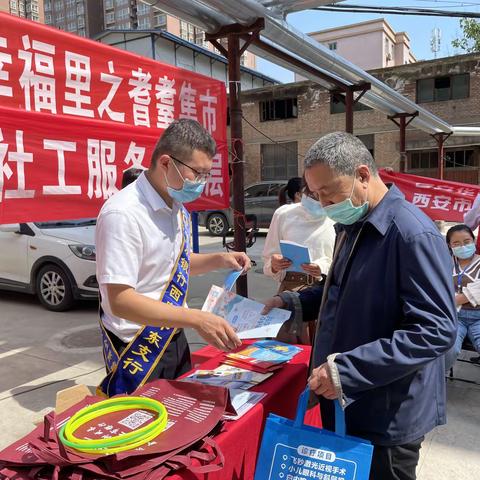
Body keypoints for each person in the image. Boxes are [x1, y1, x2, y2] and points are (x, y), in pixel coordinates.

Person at [263, 132, 456, 480]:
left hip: (388, 413)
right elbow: (339, 289)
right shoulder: (352, 225)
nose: (323, 204)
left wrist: (345, 371)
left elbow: (436, 331)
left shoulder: (412, 234)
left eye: (329, 192)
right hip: (347, 399)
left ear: (363, 175)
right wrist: (291, 301)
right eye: (315, 194)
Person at [95, 119, 250, 397]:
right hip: (136, 348)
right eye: (197, 174)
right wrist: (196, 319)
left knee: (182, 420)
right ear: (166, 163)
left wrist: (220, 260)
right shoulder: (122, 214)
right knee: (144, 431)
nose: (201, 183)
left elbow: (174, 266)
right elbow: (120, 300)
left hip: (173, 336)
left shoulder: (175, 205)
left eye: (206, 175)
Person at [263, 177, 336, 343]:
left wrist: (322, 268)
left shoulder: (336, 216)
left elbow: (344, 262)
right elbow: (268, 260)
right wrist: (275, 265)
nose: (317, 200)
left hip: (324, 291)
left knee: (320, 350)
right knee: (288, 351)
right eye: (311, 194)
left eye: (321, 195)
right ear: (302, 192)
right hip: (289, 290)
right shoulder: (284, 214)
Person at [444, 224, 480, 370]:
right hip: (454, 317)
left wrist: (450, 298)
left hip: (478, 317)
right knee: (447, 350)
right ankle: (437, 382)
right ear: (449, 245)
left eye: (466, 242)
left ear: (473, 240)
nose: (463, 246)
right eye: (456, 243)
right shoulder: (445, 263)